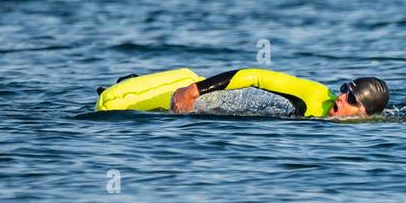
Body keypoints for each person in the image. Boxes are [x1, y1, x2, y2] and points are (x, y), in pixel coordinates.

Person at [95, 67, 388, 120]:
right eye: (343, 90)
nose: (340, 98)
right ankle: (131, 81)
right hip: (183, 88)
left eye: (351, 99)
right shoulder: (312, 95)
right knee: (109, 103)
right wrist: (194, 90)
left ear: (366, 114)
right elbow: (253, 75)